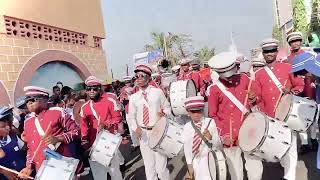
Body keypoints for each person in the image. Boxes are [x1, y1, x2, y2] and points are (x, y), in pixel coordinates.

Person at [252, 38, 305, 180]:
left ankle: (290, 177)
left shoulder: (287, 67)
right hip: (270, 119)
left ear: (276, 52)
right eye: (266, 51)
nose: (269, 54)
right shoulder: (258, 74)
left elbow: (299, 86)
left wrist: (290, 92)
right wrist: (253, 99)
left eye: (272, 50)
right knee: (276, 151)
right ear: (263, 54)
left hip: (287, 115)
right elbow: (258, 97)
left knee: (290, 148)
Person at [206, 52, 261, 180]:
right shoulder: (214, 89)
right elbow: (213, 115)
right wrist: (223, 135)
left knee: (255, 169)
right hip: (230, 134)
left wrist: (254, 98)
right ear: (218, 73)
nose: (229, 78)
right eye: (225, 76)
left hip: (249, 130)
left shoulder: (244, 79)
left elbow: (257, 98)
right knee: (236, 172)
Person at [18, 86, 80, 179]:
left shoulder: (57, 112)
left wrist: (58, 138)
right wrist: (29, 166)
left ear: (45, 100)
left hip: (60, 165)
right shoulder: (27, 122)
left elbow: (76, 131)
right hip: (42, 169)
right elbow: (31, 148)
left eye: (33, 99)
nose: (29, 103)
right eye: (27, 101)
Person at [127, 64, 171, 180]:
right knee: (149, 166)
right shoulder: (134, 97)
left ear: (149, 78)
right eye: (136, 76)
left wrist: (165, 113)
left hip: (158, 131)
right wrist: (135, 128)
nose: (139, 78)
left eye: (142, 76)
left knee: (161, 167)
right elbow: (131, 116)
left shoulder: (157, 92)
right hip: (143, 133)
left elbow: (167, 107)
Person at [80, 76, 123, 180]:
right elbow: (83, 127)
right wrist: (85, 143)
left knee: (114, 171)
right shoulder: (84, 107)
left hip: (109, 140)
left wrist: (106, 124)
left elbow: (117, 118)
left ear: (100, 88)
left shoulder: (110, 100)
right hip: (93, 144)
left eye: (94, 88)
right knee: (99, 175)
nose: (91, 91)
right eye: (88, 89)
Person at [182, 96, 221, 180]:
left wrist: (211, 138)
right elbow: (187, 148)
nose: (196, 114)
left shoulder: (210, 122)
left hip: (208, 161)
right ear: (188, 112)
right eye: (193, 111)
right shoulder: (186, 127)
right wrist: (189, 167)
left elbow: (218, 145)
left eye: (199, 111)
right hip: (195, 161)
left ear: (203, 110)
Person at [0, 106, 26, 180]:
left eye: (7, 125)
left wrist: (26, 140)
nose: (7, 127)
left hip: (24, 174)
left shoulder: (13, 137)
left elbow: (25, 149)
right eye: (3, 126)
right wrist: (3, 171)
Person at [120, 76, 139, 151]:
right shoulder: (123, 89)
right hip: (128, 111)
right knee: (131, 128)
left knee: (140, 125)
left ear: (131, 81)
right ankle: (135, 143)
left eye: (128, 82)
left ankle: (143, 142)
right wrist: (124, 97)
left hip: (137, 110)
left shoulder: (136, 87)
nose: (127, 83)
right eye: (126, 82)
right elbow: (121, 100)